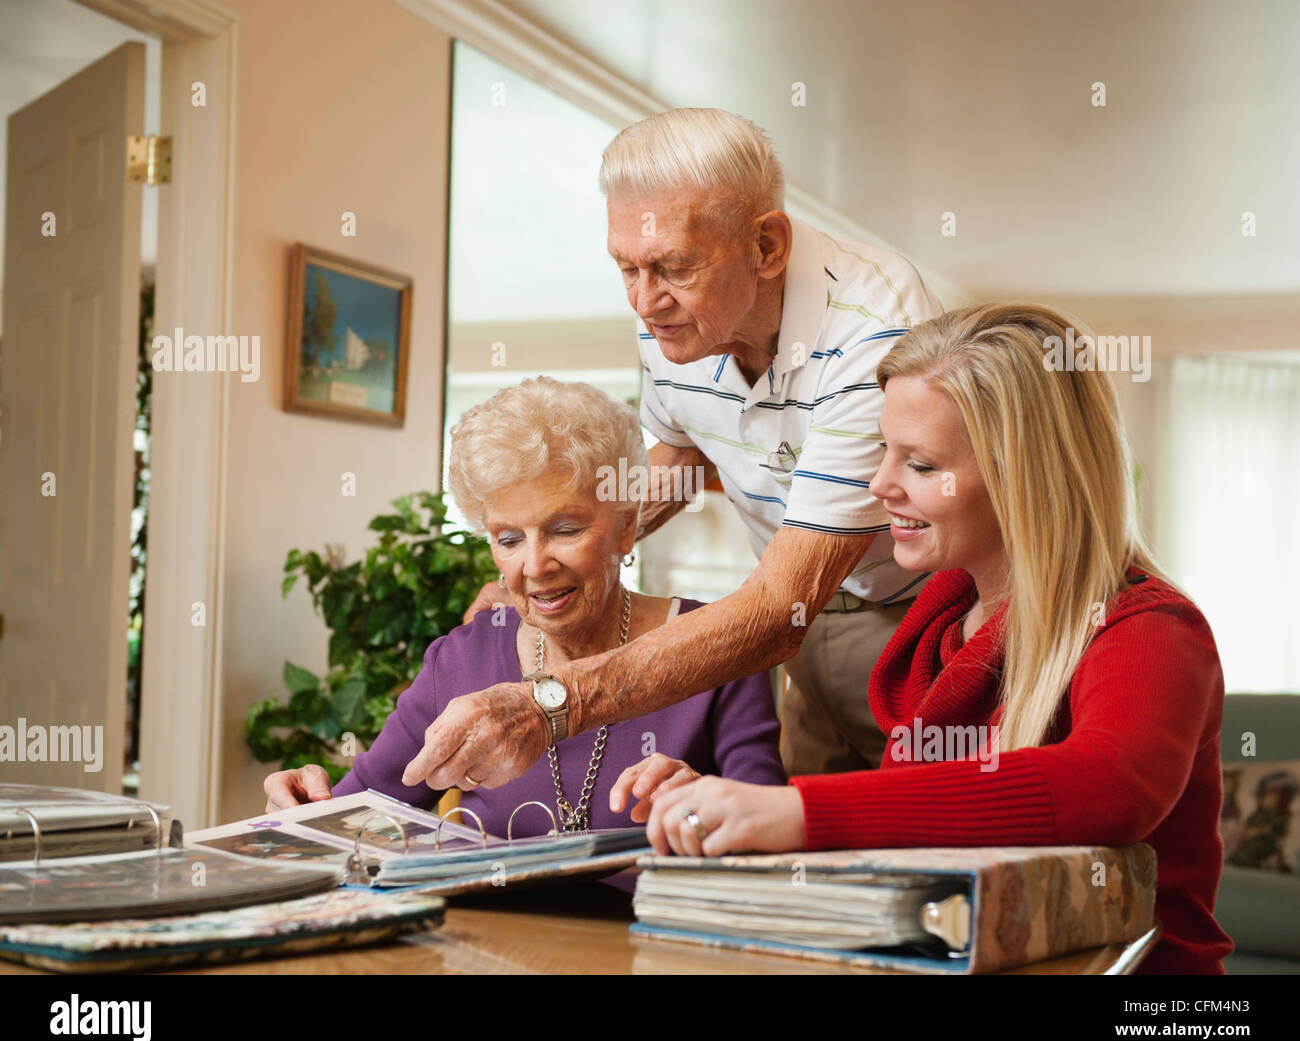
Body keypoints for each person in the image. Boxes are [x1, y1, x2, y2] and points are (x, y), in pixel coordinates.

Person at [618, 303, 1233, 975]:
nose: (879, 485)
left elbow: (1105, 785)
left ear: (1019, 476)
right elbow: (923, 829)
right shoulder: (938, 628)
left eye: (920, 463)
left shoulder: (1150, 630)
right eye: (885, 450)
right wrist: (719, 806)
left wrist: (795, 812)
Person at [413, 107, 945, 799]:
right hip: (810, 634)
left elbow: (780, 602)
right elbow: (684, 450)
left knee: (934, 851)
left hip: (925, 627)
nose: (644, 300)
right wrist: (571, 547)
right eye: (626, 268)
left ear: (766, 246)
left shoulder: (878, 333)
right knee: (823, 870)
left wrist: (550, 702)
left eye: (671, 267)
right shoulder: (677, 320)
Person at [262, 377, 785, 835]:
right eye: (509, 539)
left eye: (564, 529)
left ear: (627, 526)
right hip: (493, 944)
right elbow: (361, 812)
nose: (535, 565)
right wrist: (305, 802)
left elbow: (767, 842)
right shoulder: (460, 660)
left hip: (653, 943)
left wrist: (702, 802)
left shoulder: (716, 648)